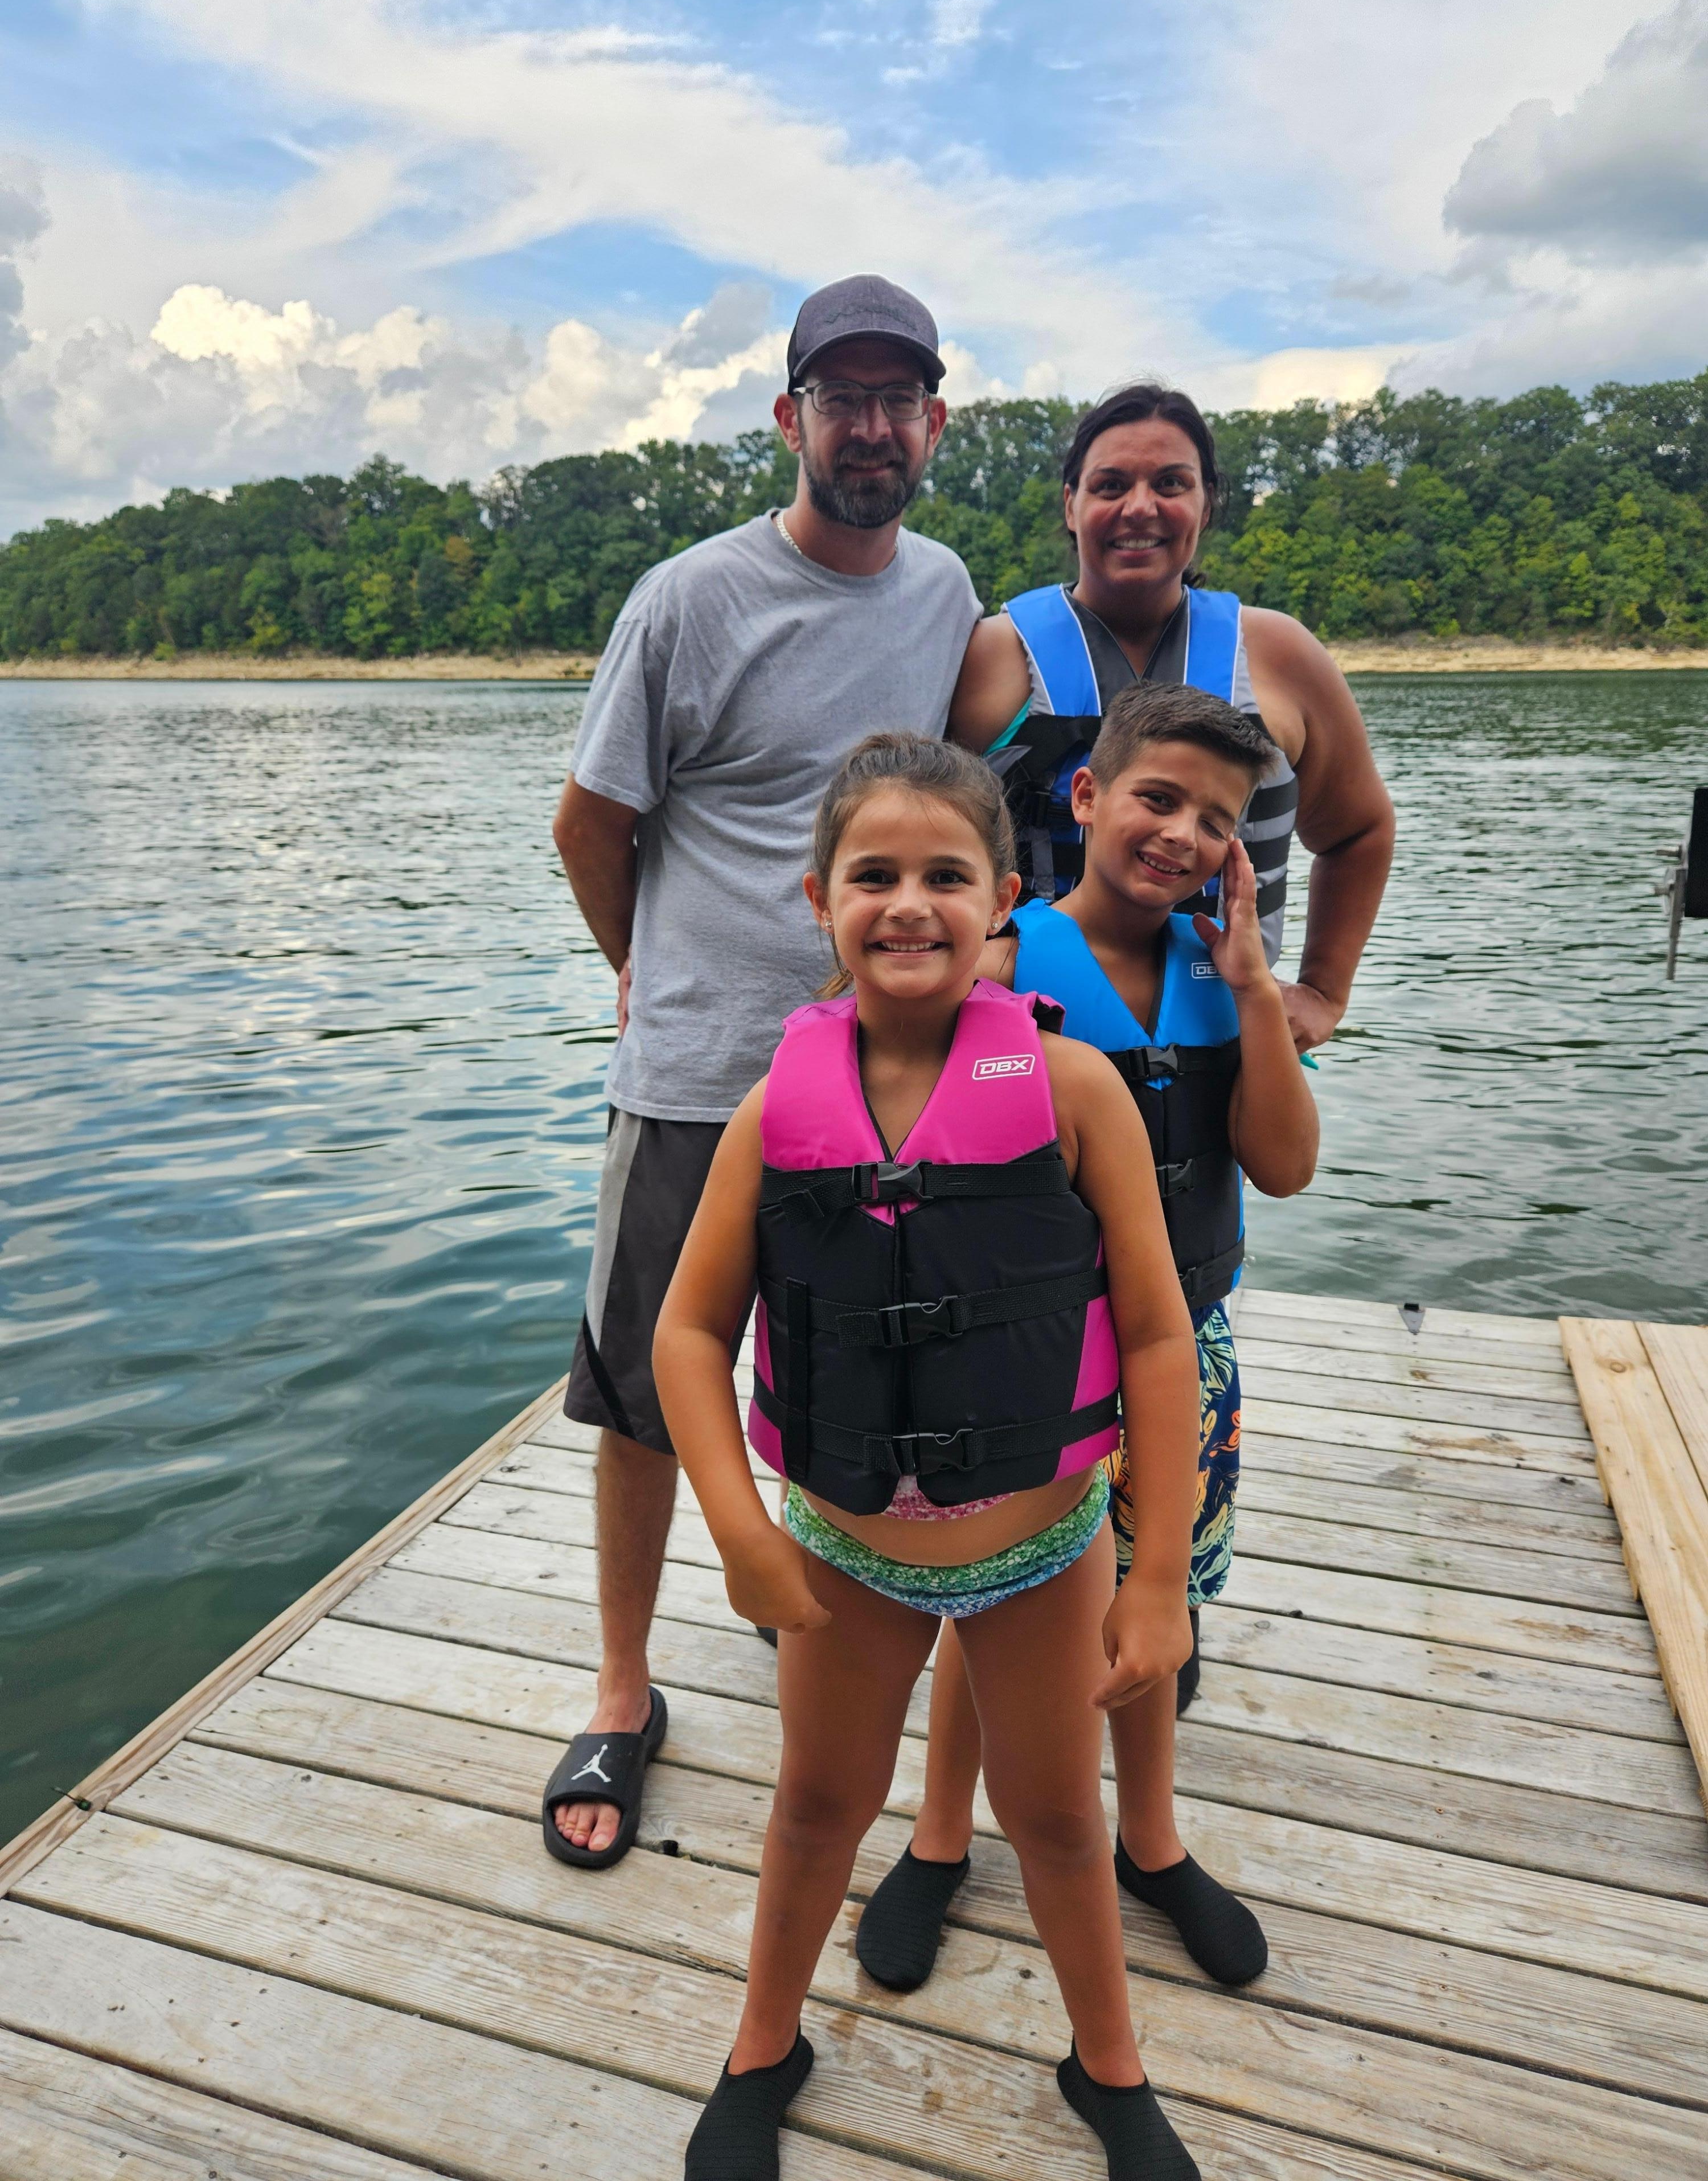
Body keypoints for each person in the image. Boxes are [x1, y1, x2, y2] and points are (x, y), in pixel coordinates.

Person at [656, 733, 1205, 2181]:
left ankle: (1108, 2064)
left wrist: (1153, 1577)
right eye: (872, 876)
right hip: (842, 1559)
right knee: (815, 1809)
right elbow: (685, 1335)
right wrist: (738, 1526)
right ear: (816, 898)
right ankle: (763, 2042)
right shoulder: (776, 1110)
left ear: (1003, 897)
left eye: (944, 875)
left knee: (1057, 1825)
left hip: (1042, 1552)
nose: (908, 905)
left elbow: (1154, 1336)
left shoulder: (1076, 1088)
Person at [540, 278, 988, 1867]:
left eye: (898, 396)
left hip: (876, 1078)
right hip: (695, 1074)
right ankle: (618, 1684)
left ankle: (816, 1613)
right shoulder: (688, 598)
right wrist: (639, 971)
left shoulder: (947, 596)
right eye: (838, 395)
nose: (869, 425)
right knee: (644, 1388)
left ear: (936, 423)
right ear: (789, 418)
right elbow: (593, 822)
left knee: (856, 1366)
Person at [856, 681, 1318, 2000]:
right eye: (1154, 797)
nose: (1176, 832)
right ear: (1086, 797)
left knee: (1149, 1600)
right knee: (985, 1597)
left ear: (1237, 848)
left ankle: (1150, 1837)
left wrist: (1253, 989)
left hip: (1185, 1344)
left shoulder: (1223, 983)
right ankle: (940, 1836)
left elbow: (1280, 1166)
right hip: (1028, 1357)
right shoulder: (1000, 969)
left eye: (1212, 818)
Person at [947, 382, 1394, 1051]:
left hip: (1219, 1052)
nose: (1140, 507)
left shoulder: (1282, 657)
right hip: (1027, 1051)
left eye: (1171, 483)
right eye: (1110, 485)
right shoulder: (990, 656)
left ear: (1206, 504)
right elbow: (912, 840)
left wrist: (1325, 991)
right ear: (1070, 505)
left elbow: (1358, 830)